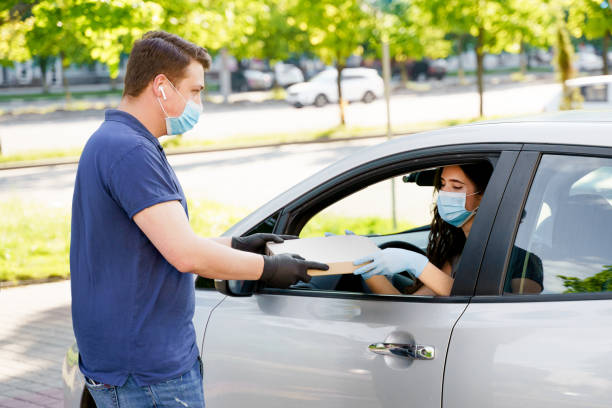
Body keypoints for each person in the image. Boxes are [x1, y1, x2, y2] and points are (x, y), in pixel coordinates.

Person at [70, 31, 327, 408]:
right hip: (147, 370)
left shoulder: (114, 141)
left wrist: (236, 245)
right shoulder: (130, 151)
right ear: (161, 86)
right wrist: (269, 269)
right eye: (194, 91)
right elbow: (186, 255)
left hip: (128, 360)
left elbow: (160, 242)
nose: (198, 102)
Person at [352, 163, 493, 296]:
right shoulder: (457, 255)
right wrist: (368, 267)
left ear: (483, 196)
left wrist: (416, 263)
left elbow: (473, 299)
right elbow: (407, 307)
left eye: (456, 187)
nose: (444, 193)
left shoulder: (505, 251)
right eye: (442, 184)